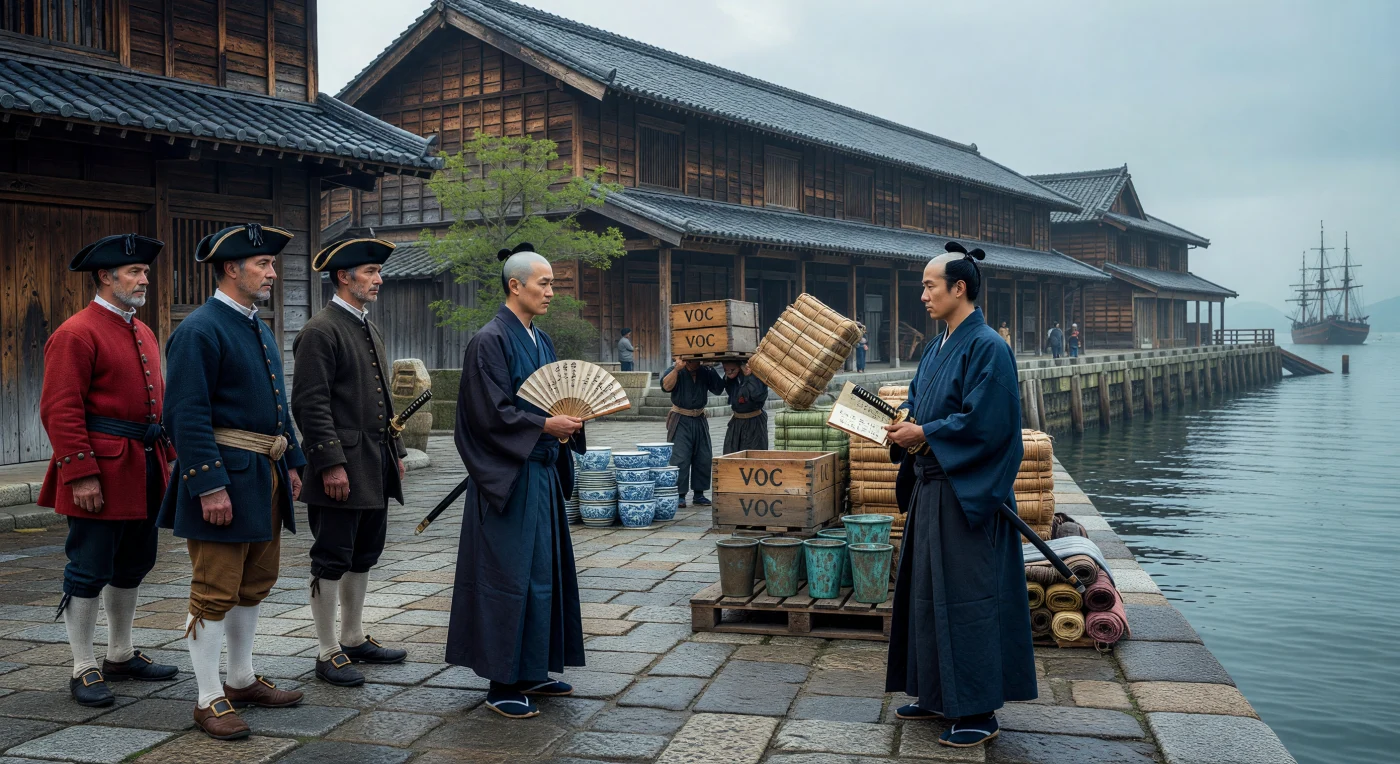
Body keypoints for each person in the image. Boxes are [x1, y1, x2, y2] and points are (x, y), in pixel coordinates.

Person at [882, 241, 1036, 748]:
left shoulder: (988, 345)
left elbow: (987, 424)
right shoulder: (938, 345)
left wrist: (924, 434)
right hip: (933, 491)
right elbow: (919, 401)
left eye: (929, 285)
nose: (922, 294)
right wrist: (904, 421)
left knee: (969, 600)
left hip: (965, 495)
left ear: (959, 288)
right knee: (925, 594)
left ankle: (977, 709)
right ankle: (933, 692)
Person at [159, 223, 307, 740]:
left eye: (271, 265)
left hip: (262, 473)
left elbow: (278, 405)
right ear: (230, 268)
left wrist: (293, 463)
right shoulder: (200, 329)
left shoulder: (255, 325)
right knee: (214, 589)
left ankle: (241, 679)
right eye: (263, 265)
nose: (272, 273)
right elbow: (185, 414)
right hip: (224, 478)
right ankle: (207, 698)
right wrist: (208, 485)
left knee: (254, 584)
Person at [38, 234, 180, 708]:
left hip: (145, 464)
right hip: (101, 467)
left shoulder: (143, 331)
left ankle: (119, 654)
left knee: (135, 562)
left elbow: (158, 400)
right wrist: (80, 473)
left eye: (144, 271)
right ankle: (82, 666)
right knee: (89, 567)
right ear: (105, 276)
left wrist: (173, 455)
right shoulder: (76, 332)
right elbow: (60, 409)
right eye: (135, 272)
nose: (145, 280)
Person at [446, 242, 586, 720]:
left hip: (542, 474)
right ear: (515, 285)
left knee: (544, 575)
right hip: (508, 479)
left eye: (551, 284)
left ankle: (533, 668)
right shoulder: (489, 340)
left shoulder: (539, 339)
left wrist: (568, 424)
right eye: (543, 283)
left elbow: (557, 398)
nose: (551, 292)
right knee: (508, 578)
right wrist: (544, 427)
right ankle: (501, 681)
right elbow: (489, 414)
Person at [293, 238, 410, 688]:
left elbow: (384, 402)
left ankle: (353, 637)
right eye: (370, 272)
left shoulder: (367, 326)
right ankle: (326, 651)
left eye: (378, 272)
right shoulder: (321, 330)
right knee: (332, 556)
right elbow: (310, 404)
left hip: (374, 459)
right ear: (344, 277)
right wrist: (328, 465)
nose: (379, 280)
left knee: (365, 553)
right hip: (340, 464)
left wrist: (396, 454)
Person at [661, 357, 724, 507]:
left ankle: (699, 494)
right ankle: (680, 495)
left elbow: (718, 389)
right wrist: (677, 369)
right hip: (681, 418)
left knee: (703, 456)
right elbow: (666, 387)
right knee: (680, 456)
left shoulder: (706, 371)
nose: (693, 363)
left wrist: (711, 367)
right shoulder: (675, 370)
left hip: (699, 418)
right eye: (690, 360)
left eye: (696, 360)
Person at [720, 359, 768, 453]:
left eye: (731, 369)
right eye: (725, 369)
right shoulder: (730, 379)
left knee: (753, 456)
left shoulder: (755, 374)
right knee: (730, 454)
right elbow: (717, 389)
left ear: (739, 365)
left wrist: (749, 376)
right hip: (736, 423)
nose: (728, 372)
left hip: (754, 423)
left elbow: (757, 395)